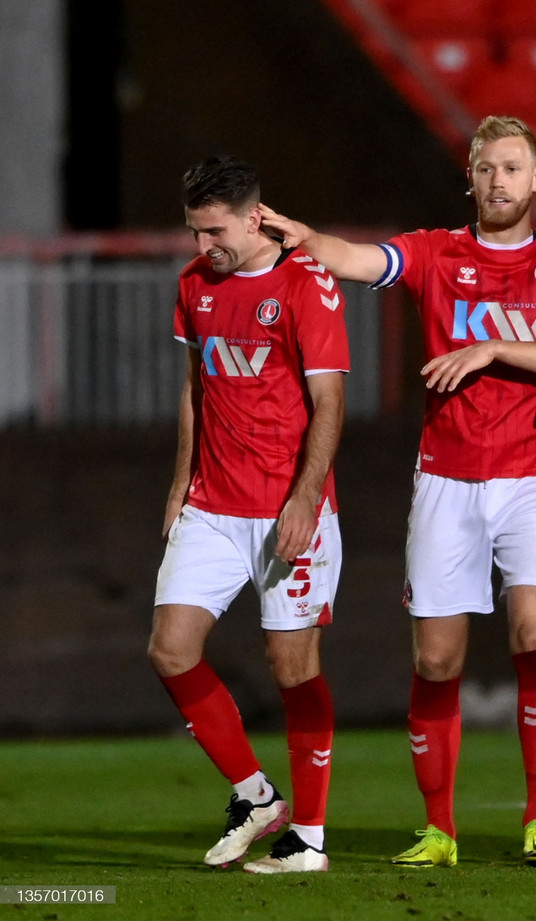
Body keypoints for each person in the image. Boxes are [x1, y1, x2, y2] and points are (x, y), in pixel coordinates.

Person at [260, 116, 536, 868]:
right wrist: (299, 236)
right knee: (439, 657)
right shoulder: (434, 252)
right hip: (447, 476)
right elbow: (353, 259)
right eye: (486, 168)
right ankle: (440, 828)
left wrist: (491, 347)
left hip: (535, 476)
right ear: (471, 178)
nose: (499, 182)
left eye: (513, 168)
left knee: (532, 629)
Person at [147, 156, 348, 874]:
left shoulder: (307, 284)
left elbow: (328, 402)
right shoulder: (194, 285)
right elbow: (195, 390)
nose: (204, 248)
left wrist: (304, 498)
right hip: (213, 503)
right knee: (171, 647)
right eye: (195, 233)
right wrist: (180, 484)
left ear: (254, 216)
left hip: (288, 507)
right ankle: (257, 796)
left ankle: (311, 837)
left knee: (292, 667)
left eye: (214, 231)